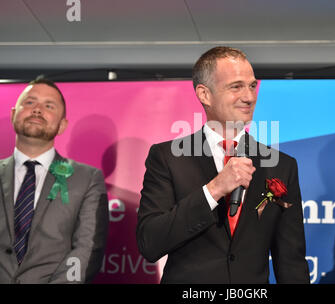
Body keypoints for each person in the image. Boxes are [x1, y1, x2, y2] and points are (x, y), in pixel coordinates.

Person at [136, 46, 310, 283]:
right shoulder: (167, 158)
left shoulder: (282, 166)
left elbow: (291, 262)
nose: (249, 97)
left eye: (252, 86)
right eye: (236, 87)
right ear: (204, 94)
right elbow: (150, 242)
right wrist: (214, 189)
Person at [0, 77, 109, 283]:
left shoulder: (87, 179)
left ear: (61, 125)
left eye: (48, 105)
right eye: (30, 102)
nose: (38, 109)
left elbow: (86, 250)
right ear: (14, 114)